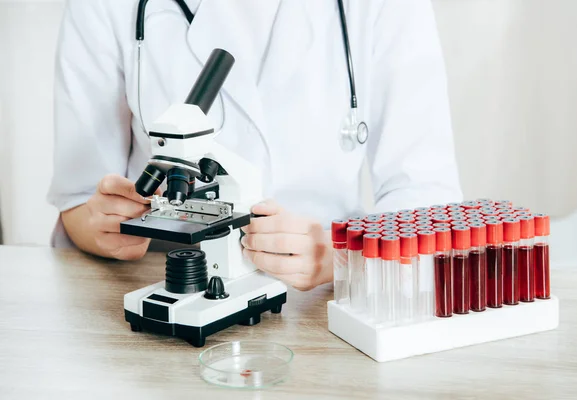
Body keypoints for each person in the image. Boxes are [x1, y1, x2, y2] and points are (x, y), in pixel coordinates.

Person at [47, 0, 463, 291]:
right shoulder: (102, 5)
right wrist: (102, 224)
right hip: (163, 275)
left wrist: (344, 258)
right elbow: (79, 202)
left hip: (325, 302)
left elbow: (426, 196)